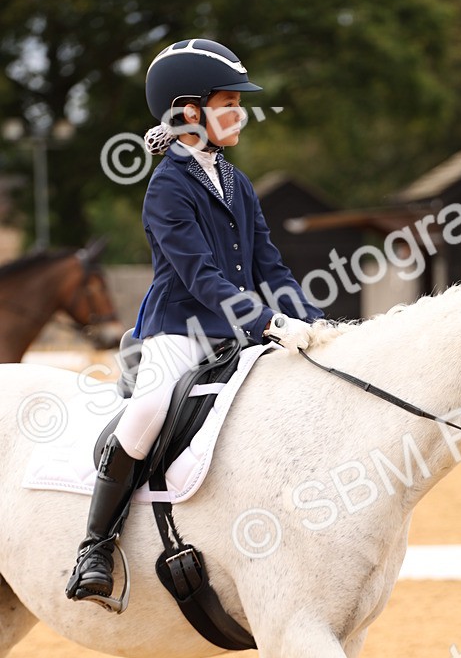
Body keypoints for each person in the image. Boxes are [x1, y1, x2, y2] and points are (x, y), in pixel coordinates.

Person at [66, 38, 324, 604]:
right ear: (189, 112)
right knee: (149, 412)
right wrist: (269, 324)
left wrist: (315, 320)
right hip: (178, 328)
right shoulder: (166, 187)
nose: (241, 114)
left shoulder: (237, 182)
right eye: (229, 102)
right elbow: (200, 279)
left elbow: (270, 266)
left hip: (238, 329)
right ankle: (95, 546)